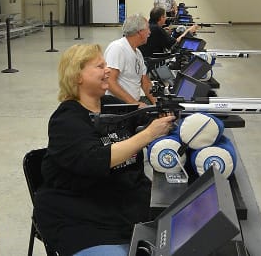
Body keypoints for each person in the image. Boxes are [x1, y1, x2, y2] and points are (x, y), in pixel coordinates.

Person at [34, 44, 175, 256]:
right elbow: (95, 158)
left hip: (122, 205)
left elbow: (143, 118)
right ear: (77, 77)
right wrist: (149, 134)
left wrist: (161, 117)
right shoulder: (66, 120)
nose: (108, 70)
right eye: (100, 66)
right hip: (80, 217)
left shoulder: (110, 105)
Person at [104, 14, 156, 107]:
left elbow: (145, 82)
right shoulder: (118, 48)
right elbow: (109, 81)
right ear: (139, 32)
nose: (149, 32)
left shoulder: (137, 53)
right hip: (120, 105)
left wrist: (156, 102)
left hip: (133, 102)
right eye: (147, 29)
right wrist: (133, 103)